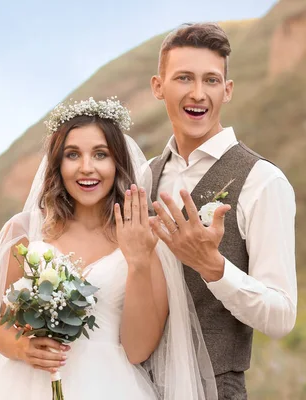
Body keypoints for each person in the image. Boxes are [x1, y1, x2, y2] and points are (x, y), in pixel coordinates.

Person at [0, 97, 217, 399]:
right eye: (73, 155)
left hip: (110, 386)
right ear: (58, 164)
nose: (86, 168)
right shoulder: (24, 232)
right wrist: (23, 347)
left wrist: (138, 262)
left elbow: (137, 350)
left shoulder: (146, 236)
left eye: (100, 154)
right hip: (26, 386)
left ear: (117, 162)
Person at [148, 23, 297, 400]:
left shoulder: (263, 180)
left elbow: (281, 317)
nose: (198, 93)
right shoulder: (143, 174)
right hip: (134, 384)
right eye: (184, 78)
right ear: (158, 86)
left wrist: (214, 268)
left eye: (211, 80)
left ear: (227, 90)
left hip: (214, 389)